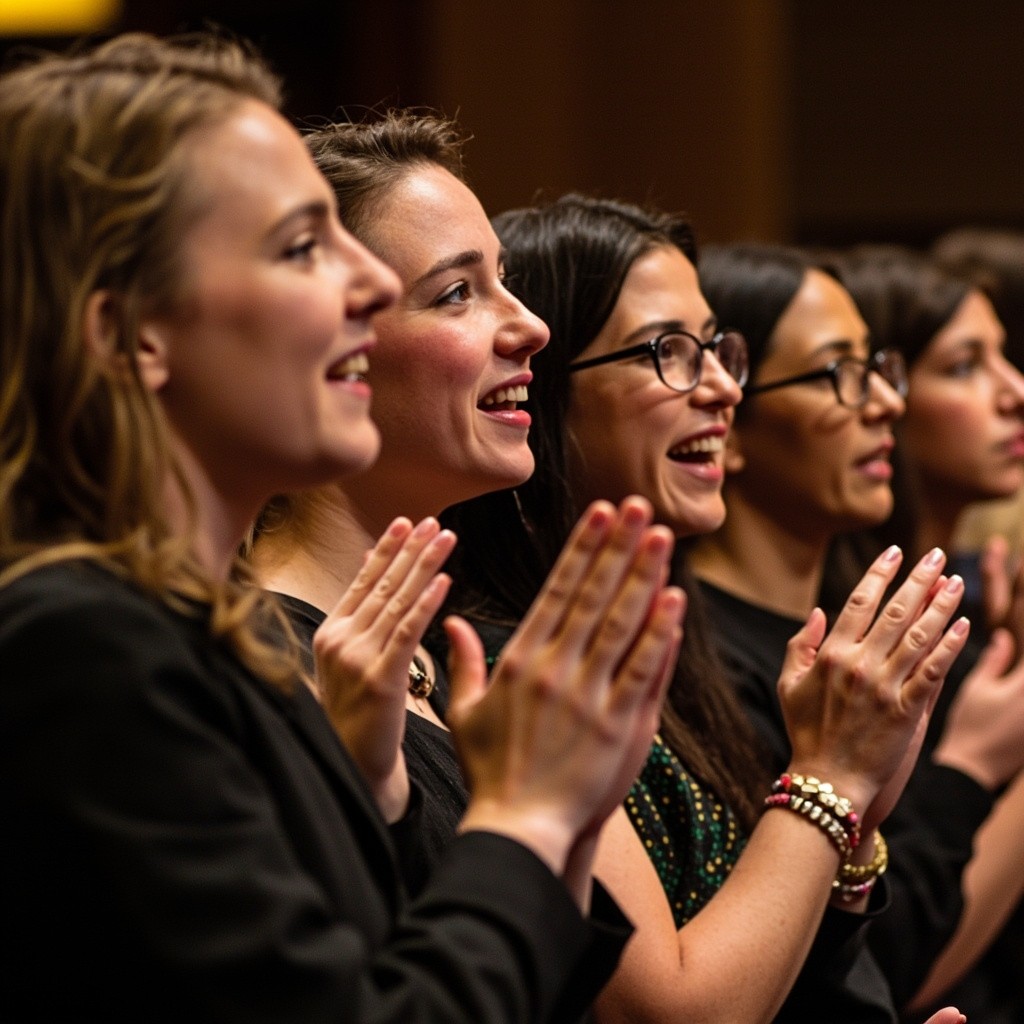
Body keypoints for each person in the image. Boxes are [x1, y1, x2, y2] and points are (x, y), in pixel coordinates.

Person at [0, 34, 685, 1022]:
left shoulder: (204, 638)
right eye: (300, 248)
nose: (364, 288)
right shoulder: (79, 646)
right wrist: (526, 814)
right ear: (127, 333)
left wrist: (390, 802)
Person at [441, 194, 969, 1023]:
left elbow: (784, 984)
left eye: (717, 349)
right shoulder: (509, 672)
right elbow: (681, 1015)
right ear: (539, 397)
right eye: (668, 352)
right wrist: (832, 779)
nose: (723, 387)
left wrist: (853, 832)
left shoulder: (662, 643)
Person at [690, 242, 1024, 1021]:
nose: (885, 404)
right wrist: (974, 767)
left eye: (881, 369)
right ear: (731, 419)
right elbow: (886, 963)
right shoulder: (705, 659)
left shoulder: (866, 620)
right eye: (840, 373)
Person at [831, 244, 1024, 1022]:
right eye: (965, 365)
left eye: (1004, 356)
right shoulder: (861, 634)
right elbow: (903, 968)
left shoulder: (976, 600)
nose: (1015, 390)